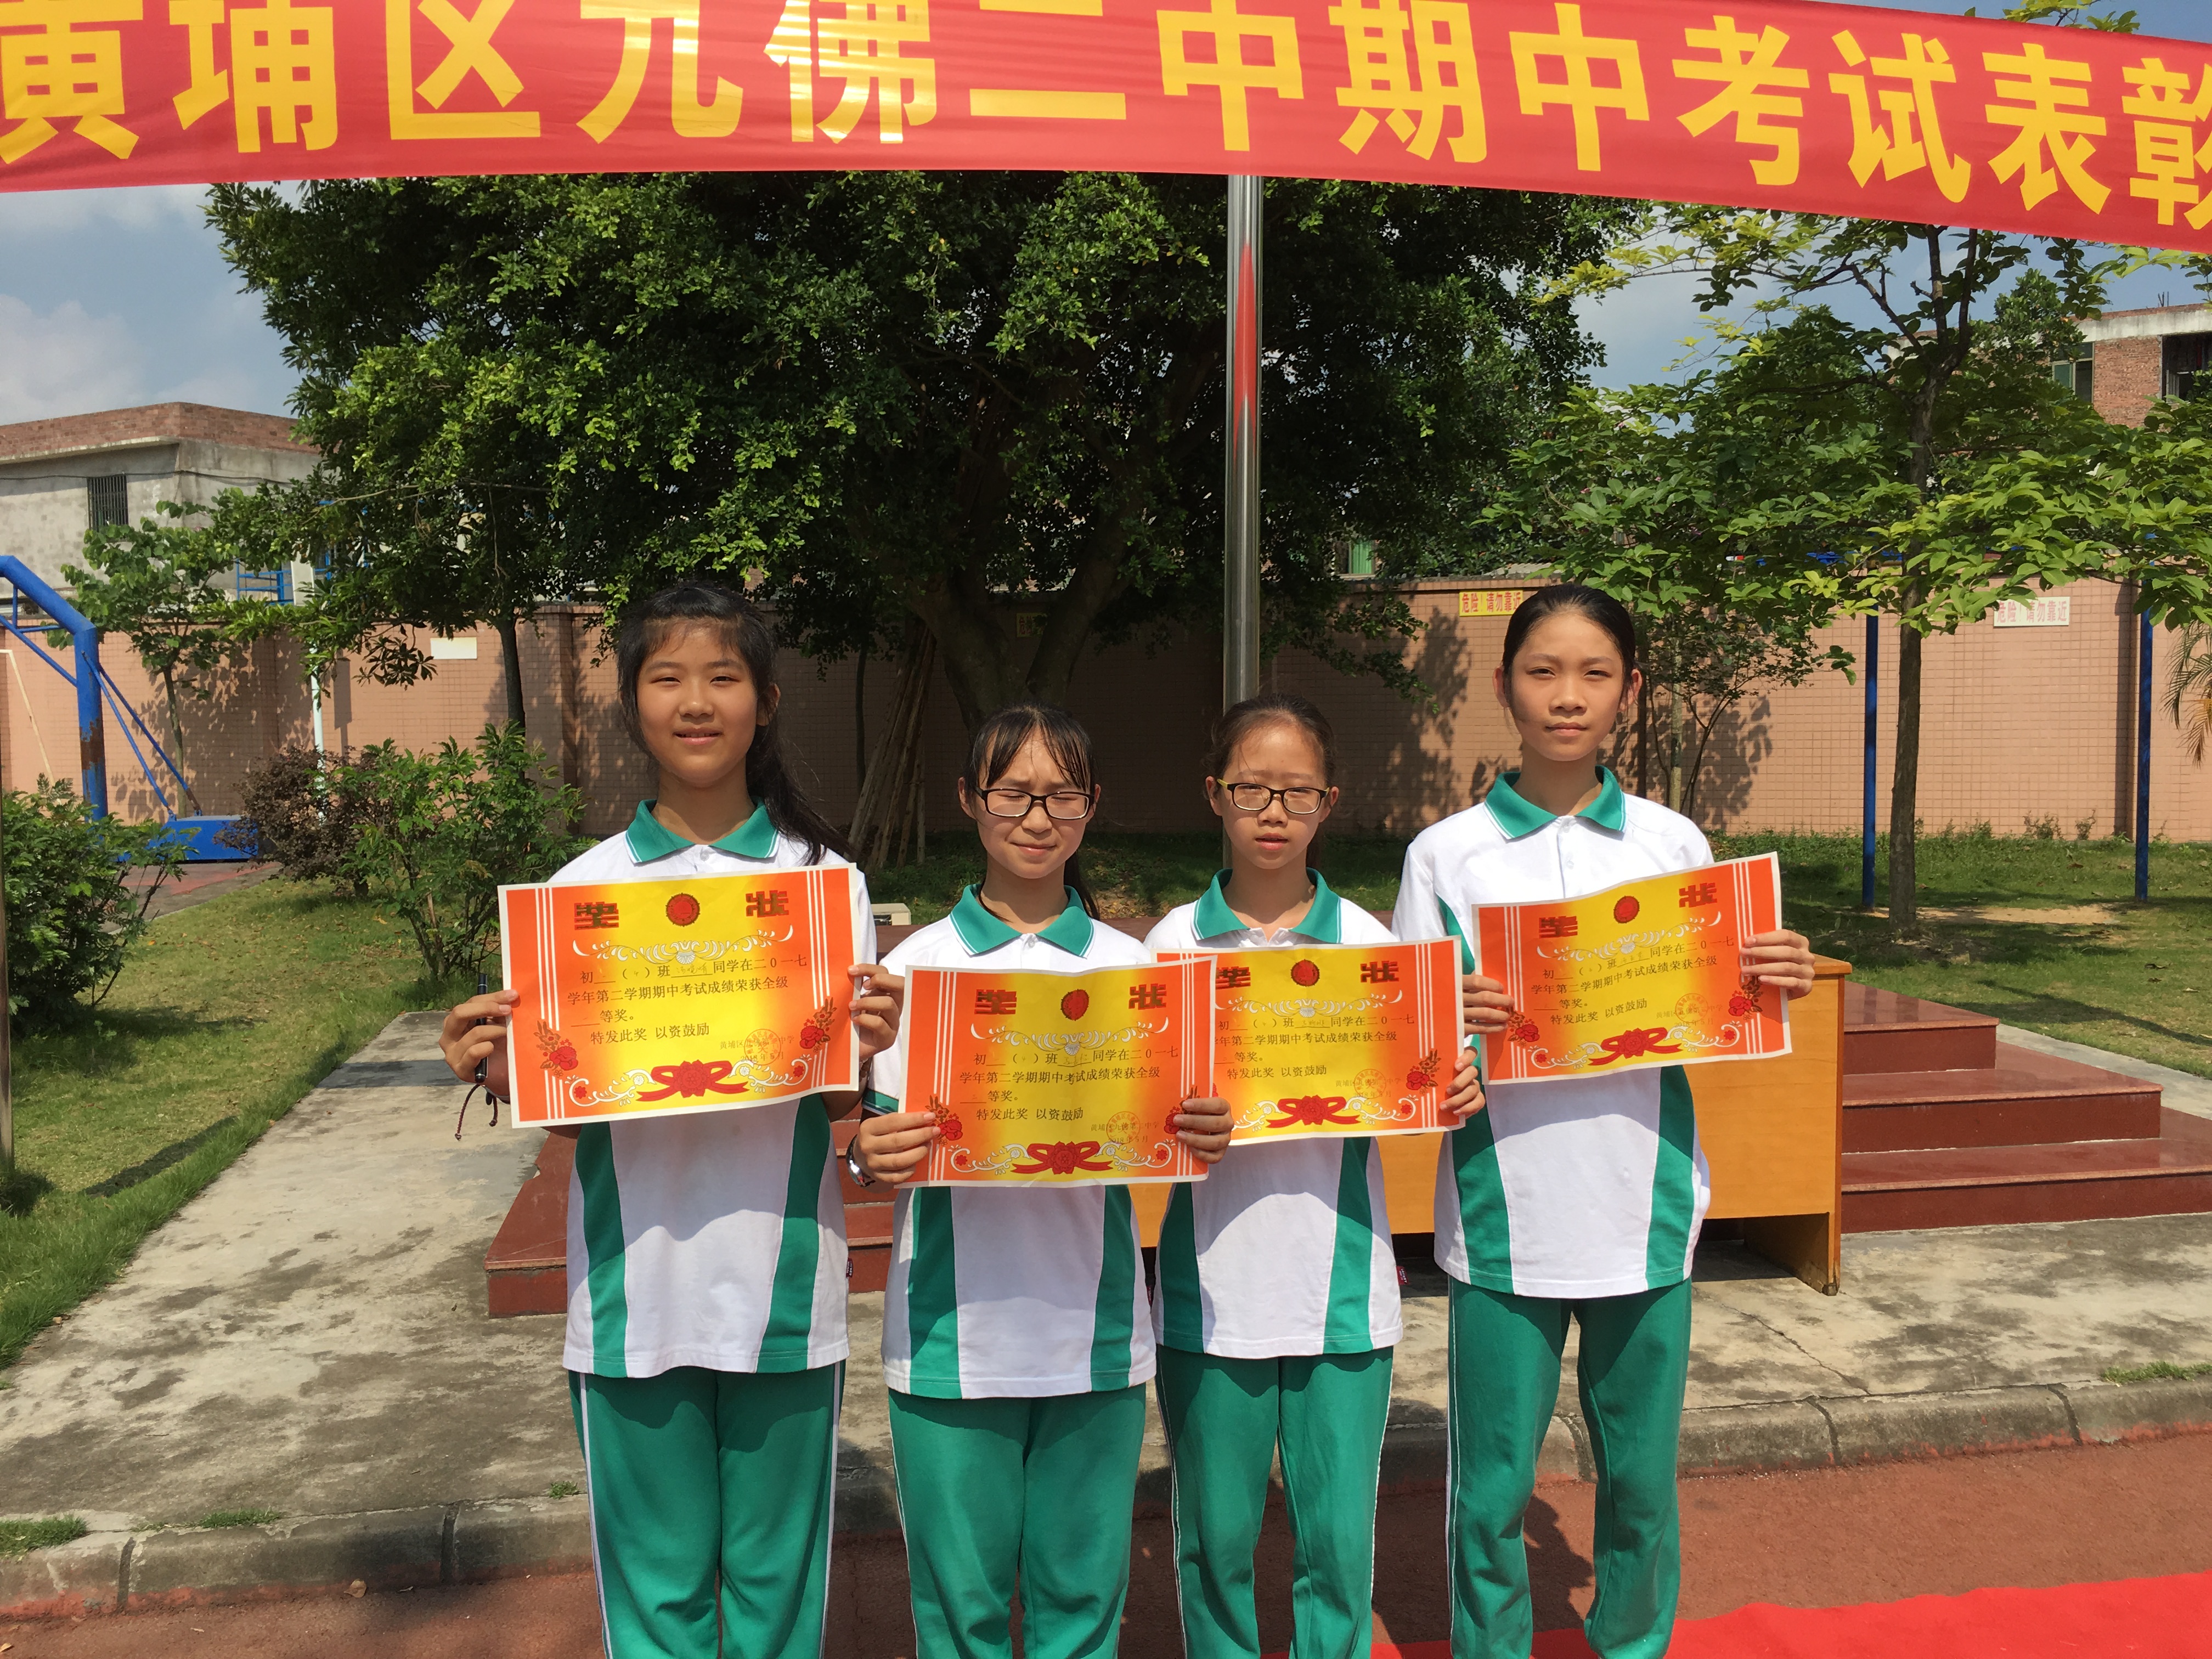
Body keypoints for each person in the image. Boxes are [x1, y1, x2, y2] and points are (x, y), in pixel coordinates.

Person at [437, 582, 901, 1659]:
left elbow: (840, 1101)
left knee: (778, 1596)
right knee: (658, 1603)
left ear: (765, 701)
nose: (697, 702)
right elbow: (571, 1106)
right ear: (632, 701)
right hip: (631, 1294)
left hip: (784, 1284)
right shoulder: (578, 897)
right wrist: (500, 1071)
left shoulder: (826, 886)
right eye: (668, 677)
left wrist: (873, 1046)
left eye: (724, 677)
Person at [1391, 584, 1816, 1659]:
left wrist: (1771, 975)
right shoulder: (1447, 855)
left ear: (1629, 689)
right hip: (1503, 1218)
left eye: (1595, 673)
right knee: (1490, 1488)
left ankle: (1632, 1643)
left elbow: (1718, 1007)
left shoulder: (1675, 845)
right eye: (1543, 672)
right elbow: (1409, 1054)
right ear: (1504, 687)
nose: (1568, 696)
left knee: (1640, 1480)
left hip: (1646, 1205)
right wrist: (1448, 1024)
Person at [853, 702, 1233, 1659]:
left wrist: (1204, 1129)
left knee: (1081, 1609)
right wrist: (866, 1151)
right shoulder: (913, 971)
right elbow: (874, 1137)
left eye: (1062, 795)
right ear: (969, 800)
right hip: (948, 1341)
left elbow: (1174, 1126)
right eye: (1013, 793)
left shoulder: (1134, 971)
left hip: (1093, 1338)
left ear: (1092, 806)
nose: (1036, 817)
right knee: (961, 1616)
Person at [1143, 692, 1481, 1659]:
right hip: (1208, 1294)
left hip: (1342, 1294)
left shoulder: (1376, 951)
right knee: (1217, 1542)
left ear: (1328, 803)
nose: (1274, 812)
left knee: (1336, 1546)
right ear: (1215, 794)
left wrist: (1452, 1084)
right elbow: (1136, 1115)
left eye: (1297, 792)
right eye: (1252, 789)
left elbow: (1424, 1082)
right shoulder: (1172, 947)